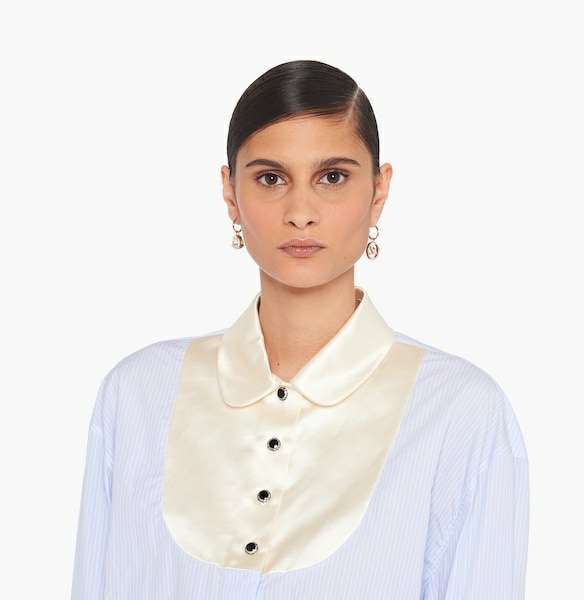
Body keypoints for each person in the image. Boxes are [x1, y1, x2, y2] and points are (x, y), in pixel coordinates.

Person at [70, 59, 529, 599]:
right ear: (230, 193)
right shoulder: (137, 394)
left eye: (332, 177)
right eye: (271, 178)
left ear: (379, 191)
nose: (301, 212)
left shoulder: (459, 412)